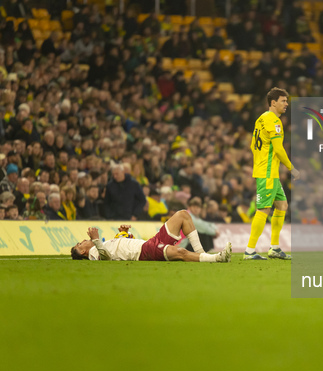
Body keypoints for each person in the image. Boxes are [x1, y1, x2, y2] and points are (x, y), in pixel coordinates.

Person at [243, 87, 300, 260]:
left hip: (269, 171)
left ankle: (274, 248)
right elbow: (279, 149)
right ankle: (250, 250)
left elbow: (253, 145)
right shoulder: (274, 121)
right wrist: (291, 168)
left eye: (287, 101)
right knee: (264, 209)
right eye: (283, 101)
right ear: (273, 102)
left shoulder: (260, 119)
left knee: (282, 205)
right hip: (268, 172)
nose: (286, 104)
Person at [70, 210, 232, 263]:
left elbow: (123, 248)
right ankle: (217, 258)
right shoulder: (94, 254)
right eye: (79, 244)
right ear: (83, 252)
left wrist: (125, 234)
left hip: (149, 243)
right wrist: (96, 239)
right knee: (180, 253)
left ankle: (201, 254)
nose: (82, 241)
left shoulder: (103, 245)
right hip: (145, 252)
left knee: (183, 215)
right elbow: (106, 258)